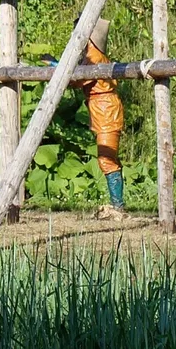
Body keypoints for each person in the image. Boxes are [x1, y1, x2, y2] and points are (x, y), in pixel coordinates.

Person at [70, 18, 127, 220]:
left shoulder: (93, 56)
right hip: (101, 108)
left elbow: (76, 80)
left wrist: (54, 65)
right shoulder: (93, 56)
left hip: (106, 110)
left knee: (107, 159)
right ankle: (117, 204)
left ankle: (117, 206)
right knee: (107, 158)